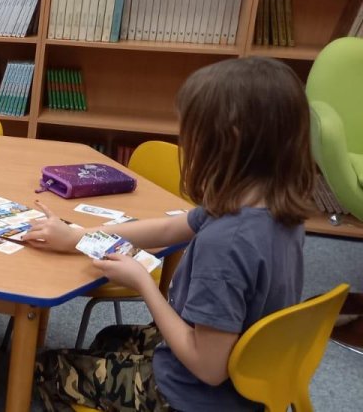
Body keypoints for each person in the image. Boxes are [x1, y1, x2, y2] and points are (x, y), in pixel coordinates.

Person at [29, 57, 316, 411]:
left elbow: (209, 368)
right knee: (111, 337)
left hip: (197, 396)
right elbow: (167, 228)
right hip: (252, 375)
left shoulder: (224, 244)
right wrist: (78, 236)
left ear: (227, 141)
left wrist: (144, 283)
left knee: (45, 369)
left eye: (190, 132)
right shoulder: (272, 207)